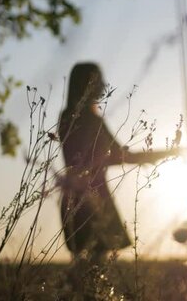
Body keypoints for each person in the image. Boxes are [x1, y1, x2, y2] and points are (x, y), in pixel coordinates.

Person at [58, 62, 176, 260]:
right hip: (92, 194)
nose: (103, 85)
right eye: (98, 80)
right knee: (96, 263)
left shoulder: (69, 117)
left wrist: (164, 154)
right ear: (88, 84)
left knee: (82, 266)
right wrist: (165, 154)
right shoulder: (89, 119)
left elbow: (114, 156)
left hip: (74, 195)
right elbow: (117, 156)